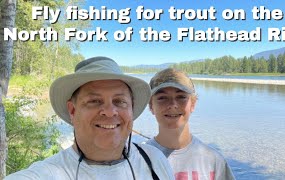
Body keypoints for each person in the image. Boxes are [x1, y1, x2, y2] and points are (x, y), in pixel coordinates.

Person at [5, 57, 174, 180]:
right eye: (94, 101)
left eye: (119, 101)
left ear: (131, 109)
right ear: (72, 111)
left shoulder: (154, 160)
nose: (109, 112)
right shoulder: (48, 173)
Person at [146, 68, 235, 180]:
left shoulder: (213, 161)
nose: (173, 105)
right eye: (162, 98)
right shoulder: (138, 159)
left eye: (181, 97)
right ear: (151, 106)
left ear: (193, 104)